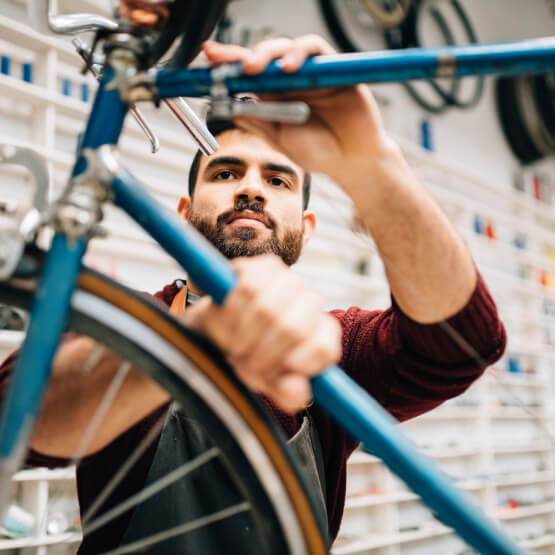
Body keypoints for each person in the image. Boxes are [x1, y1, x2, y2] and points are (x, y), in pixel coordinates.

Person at [0, 35, 506, 553]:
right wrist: (201, 337)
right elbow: (13, 416)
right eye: (225, 172)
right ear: (183, 211)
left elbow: (465, 344)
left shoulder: (331, 346)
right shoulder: (125, 324)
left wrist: (372, 164)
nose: (252, 189)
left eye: (279, 181)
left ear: (306, 228)